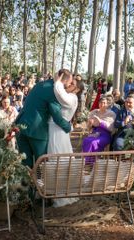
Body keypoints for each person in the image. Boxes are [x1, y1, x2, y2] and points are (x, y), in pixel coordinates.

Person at [15, 69, 72, 168]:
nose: (69, 85)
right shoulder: (54, 90)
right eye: (70, 82)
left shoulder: (39, 84)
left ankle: (26, 182)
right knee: (41, 163)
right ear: (65, 80)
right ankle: (38, 182)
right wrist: (68, 127)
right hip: (36, 130)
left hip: (21, 126)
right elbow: (57, 117)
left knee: (25, 161)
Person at [47, 75, 84, 208]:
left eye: (71, 84)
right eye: (68, 83)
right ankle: (56, 190)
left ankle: (60, 194)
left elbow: (60, 93)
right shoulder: (71, 97)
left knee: (57, 160)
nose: (67, 85)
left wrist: (58, 81)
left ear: (77, 89)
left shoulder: (72, 98)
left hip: (57, 131)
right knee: (61, 159)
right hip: (58, 131)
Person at [82, 97, 116, 164]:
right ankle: (87, 161)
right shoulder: (94, 112)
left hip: (105, 134)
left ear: (107, 104)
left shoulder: (111, 114)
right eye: (101, 103)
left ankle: (91, 162)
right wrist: (90, 123)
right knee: (86, 140)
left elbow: (111, 128)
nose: (102, 104)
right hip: (94, 132)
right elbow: (88, 128)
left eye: (104, 103)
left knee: (93, 142)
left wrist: (100, 122)